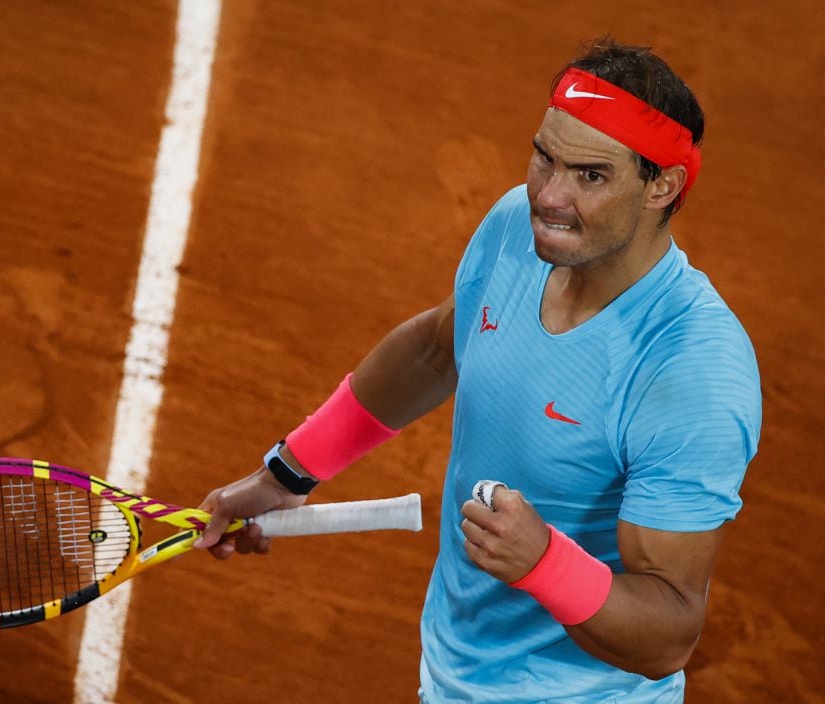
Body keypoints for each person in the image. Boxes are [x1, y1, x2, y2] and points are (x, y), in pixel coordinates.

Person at [194, 37, 761, 703]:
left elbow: (668, 633)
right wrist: (286, 473)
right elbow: (438, 349)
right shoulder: (513, 232)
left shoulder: (691, 372)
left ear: (661, 185)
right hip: (454, 669)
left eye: (591, 176)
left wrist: (545, 564)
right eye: (544, 159)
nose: (548, 197)